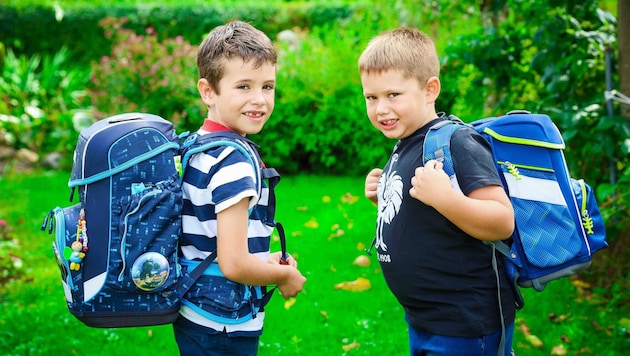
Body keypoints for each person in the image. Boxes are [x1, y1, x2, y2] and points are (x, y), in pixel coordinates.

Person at [359, 27, 517, 355]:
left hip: (466, 322)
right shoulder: (406, 143)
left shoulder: (456, 142)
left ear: (430, 89)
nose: (381, 109)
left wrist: (446, 198)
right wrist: (383, 197)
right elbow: (425, 220)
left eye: (393, 95)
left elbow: (502, 222)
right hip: (424, 319)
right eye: (371, 98)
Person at [173, 20, 306, 356]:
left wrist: (267, 261)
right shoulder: (233, 160)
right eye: (244, 86)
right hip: (224, 323)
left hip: (194, 309)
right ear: (208, 91)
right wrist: (282, 278)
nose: (259, 99)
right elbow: (233, 264)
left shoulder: (198, 144)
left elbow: (212, 239)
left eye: (268, 86)